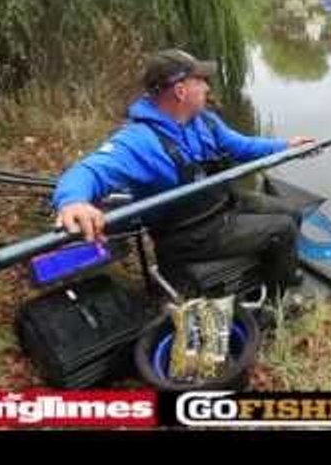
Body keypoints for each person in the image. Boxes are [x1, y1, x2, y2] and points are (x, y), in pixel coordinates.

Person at [52, 48, 316, 298]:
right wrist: (73, 201)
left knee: (291, 212)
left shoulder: (203, 120)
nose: (207, 87)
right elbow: (88, 171)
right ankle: (278, 303)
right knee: (284, 229)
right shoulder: (140, 141)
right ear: (180, 90)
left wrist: (286, 147)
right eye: (200, 80)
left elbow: (243, 146)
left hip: (222, 206)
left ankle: (280, 272)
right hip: (188, 235)